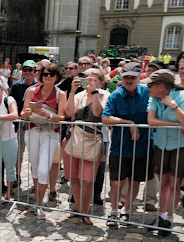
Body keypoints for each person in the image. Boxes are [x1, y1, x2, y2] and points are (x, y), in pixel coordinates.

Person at [145, 69, 184, 236]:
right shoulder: (154, 98)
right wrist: (176, 125)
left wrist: (173, 106)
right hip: (162, 143)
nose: (147, 88)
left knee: (174, 184)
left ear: (160, 86)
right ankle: (161, 215)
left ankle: (168, 217)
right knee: (164, 182)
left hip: (182, 145)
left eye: (150, 85)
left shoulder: (182, 96)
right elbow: (151, 121)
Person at [102, 62, 153, 227]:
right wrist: (129, 122)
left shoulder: (148, 94)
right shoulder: (116, 95)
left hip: (142, 147)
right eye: (126, 77)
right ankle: (114, 212)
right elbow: (105, 118)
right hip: (119, 146)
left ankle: (126, 211)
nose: (129, 80)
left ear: (139, 78)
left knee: (135, 181)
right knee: (116, 182)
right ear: (121, 77)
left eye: (132, 77)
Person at [20, 63, 67, 219]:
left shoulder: (60, 94)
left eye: (51, 75)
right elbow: (23, 114)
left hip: (50, 133)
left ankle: (39, 204)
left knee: (42, 170)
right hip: (32, 131)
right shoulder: (32, 91)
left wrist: (47, 115)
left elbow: (62, 117)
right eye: (45, 74)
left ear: (56, 77)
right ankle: (37, 203)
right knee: (34, 168)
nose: (48, 77)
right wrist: (27, 112)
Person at [63, 68, 109, 225]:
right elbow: (69, 112)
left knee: (88, 180)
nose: (88, 82)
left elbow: (97, 114)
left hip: (92, 140)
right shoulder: (78, 95)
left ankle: (85, 210)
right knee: (74, 177)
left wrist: (94, 93)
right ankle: (77, 207)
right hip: (73, 138)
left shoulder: (104, 95)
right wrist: (72, 91)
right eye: (86, 78)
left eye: (92, 79)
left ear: (100, 82)